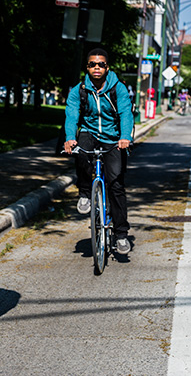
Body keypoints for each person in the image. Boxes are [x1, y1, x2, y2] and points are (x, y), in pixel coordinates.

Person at [64, 48, 134, 254]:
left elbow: (125, 113)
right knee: (81, 152)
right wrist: (70, 137)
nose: (97, 68)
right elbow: (71, 115)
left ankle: (121, 235)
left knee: (116, 185)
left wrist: (125, 137)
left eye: (101, 64)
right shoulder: (80, 90)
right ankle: (85, 193)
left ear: (107, 67)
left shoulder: (117, 88)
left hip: (113, 139)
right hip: (89, 132)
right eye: (93, 64)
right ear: (87, 67)